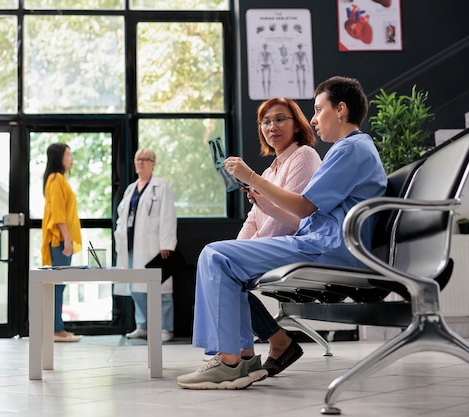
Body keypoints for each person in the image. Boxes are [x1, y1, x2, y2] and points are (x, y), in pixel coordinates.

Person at [177, 76, 387, 390]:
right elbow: (308, 213)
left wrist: (250, 176)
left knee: (215, 255)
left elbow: (303, 208)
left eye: (319, 109)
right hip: (322, 242)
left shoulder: (349, 150)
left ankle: (229, 361)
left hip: (326, 248)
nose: (314, 119)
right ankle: (241, 357)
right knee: (220, 257)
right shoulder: (352, 150)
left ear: (341, 109)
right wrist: (264, 200)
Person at [236, 97, 322, 377]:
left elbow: (291, 219)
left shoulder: (304, 156)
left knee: (225, 275)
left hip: (293, 245)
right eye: (265, 121)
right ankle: (253, 350)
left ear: (297, 125)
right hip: (271, 244)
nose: (272, 126)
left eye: (280, 119)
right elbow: (254, 219)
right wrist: (235, 250)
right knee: (221, 266)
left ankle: (253, 351)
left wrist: (242, 253)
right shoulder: (269, 171)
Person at [114, 148, 178, 343]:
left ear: (153, 163)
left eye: (145, 159)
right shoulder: (131, 189)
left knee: (161, 289)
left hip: (154, 245)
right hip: (132, 245)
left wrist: (166, 243)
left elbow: (168, 216)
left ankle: (165, 328)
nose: (141, 162)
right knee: (135, 287)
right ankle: (143, 326)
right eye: (138, 159)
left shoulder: (161, 186)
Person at [41, 143, 83, 343]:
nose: (71, 158)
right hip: (59, 240)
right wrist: (67, 238)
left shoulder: (59, 179)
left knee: (59, 284)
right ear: (59, 157)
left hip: (61, 240)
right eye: (68, 154)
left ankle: (57, 328)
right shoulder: (56, 179)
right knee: (57, 285)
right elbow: (58, 213)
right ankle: (56, 330)